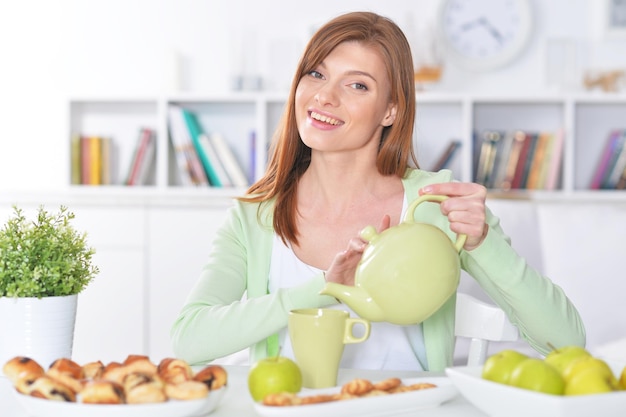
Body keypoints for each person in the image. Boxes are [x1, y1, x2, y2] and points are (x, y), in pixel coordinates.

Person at [171, 11, 585, 371]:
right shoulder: (255, 216)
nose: (324, 96)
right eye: (316, 74)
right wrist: (324, 289)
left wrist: (484, 244)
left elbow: (566, 342)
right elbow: (189, 342)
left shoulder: (435, 204)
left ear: (392, 109)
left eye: (358, 86)